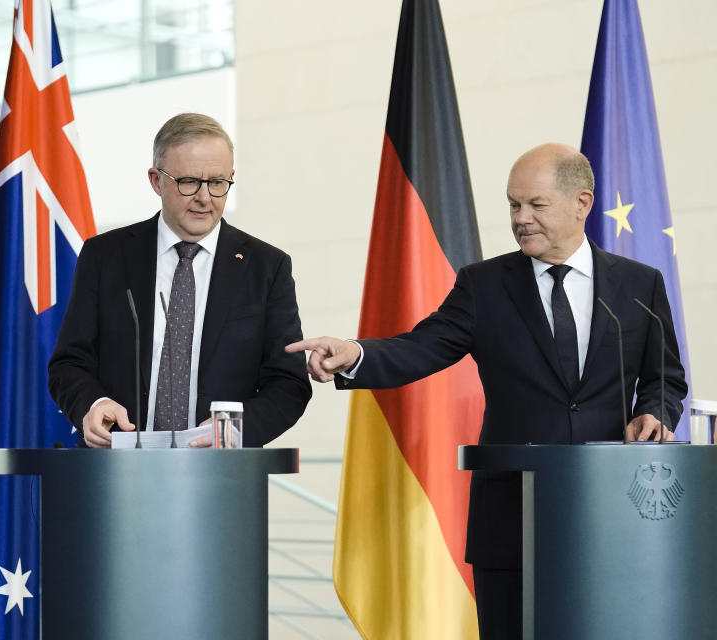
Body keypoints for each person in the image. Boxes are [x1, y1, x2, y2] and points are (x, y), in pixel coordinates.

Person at [286, 143, 687, 638]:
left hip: (609, 515)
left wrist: (654, 412)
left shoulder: (639, 285)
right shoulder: (484, 285)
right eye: (513, 205)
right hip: (511, 523)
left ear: (582, 203)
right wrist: (355, 353)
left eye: (536, 205)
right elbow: (421, 348)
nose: (521, 219)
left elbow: (666, 378)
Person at [49, 113, 311, 448]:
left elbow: (289, 383)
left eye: (217, 182)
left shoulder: (267, 267)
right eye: (189, 182)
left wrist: (235, 430)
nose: (205, 198)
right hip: (115, 470)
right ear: (156, 180)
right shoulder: (105, 256)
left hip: (222, 475)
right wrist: (95, 404)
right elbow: (69, 363)